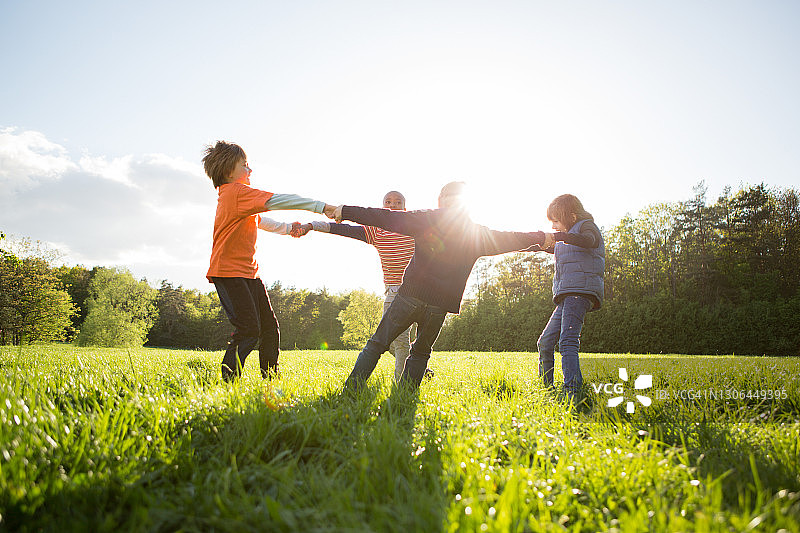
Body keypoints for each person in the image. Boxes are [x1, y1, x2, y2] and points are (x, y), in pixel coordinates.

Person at [328, 181, 555, 389]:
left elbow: (386, 217)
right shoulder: (477, 233)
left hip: (410, 297)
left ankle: (352, 390)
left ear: (442, 200)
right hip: (439, 305)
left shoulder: (428, 219)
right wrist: (541, 239)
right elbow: (512, 239)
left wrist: (345, 211)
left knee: (377, 343)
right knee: (420, 352)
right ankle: (405, 395)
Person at [203, 140, 335, 381]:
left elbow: (261, 221)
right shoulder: (235, 192)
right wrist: (321, 207)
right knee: (248, 329)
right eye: (244, 165)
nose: (249, 170)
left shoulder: (237, 198)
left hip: (248, 273)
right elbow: (279, 200)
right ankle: (228, 380)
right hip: (228, 272)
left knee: (270, 329)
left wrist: (289, 229)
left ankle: (270, 379)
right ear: (227, 171)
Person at [291, 191, 431, 381]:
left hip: (418, 291)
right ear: (382, 207)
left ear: (405, 209)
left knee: (400, 343)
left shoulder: (414, 228)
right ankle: (414, 367)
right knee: (388, 341)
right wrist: (312, 225)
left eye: (398, 202)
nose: (393, 205)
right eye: (388, 202)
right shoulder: (376, 231)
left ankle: (403, 389)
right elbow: (344, 229)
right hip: (393, 291)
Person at [535, 194, 605, 404]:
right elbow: (552, 246)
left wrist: (559, 237)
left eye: (556, 220)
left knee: (567, 341)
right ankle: (546, 388)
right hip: (567, 294)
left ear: (571, 216)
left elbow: (588, 242)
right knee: (545, 342)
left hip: (581, 291)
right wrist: (534, 242)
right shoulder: (565, 236)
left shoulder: (587, 227)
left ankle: (573, 392)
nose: (554, 226)